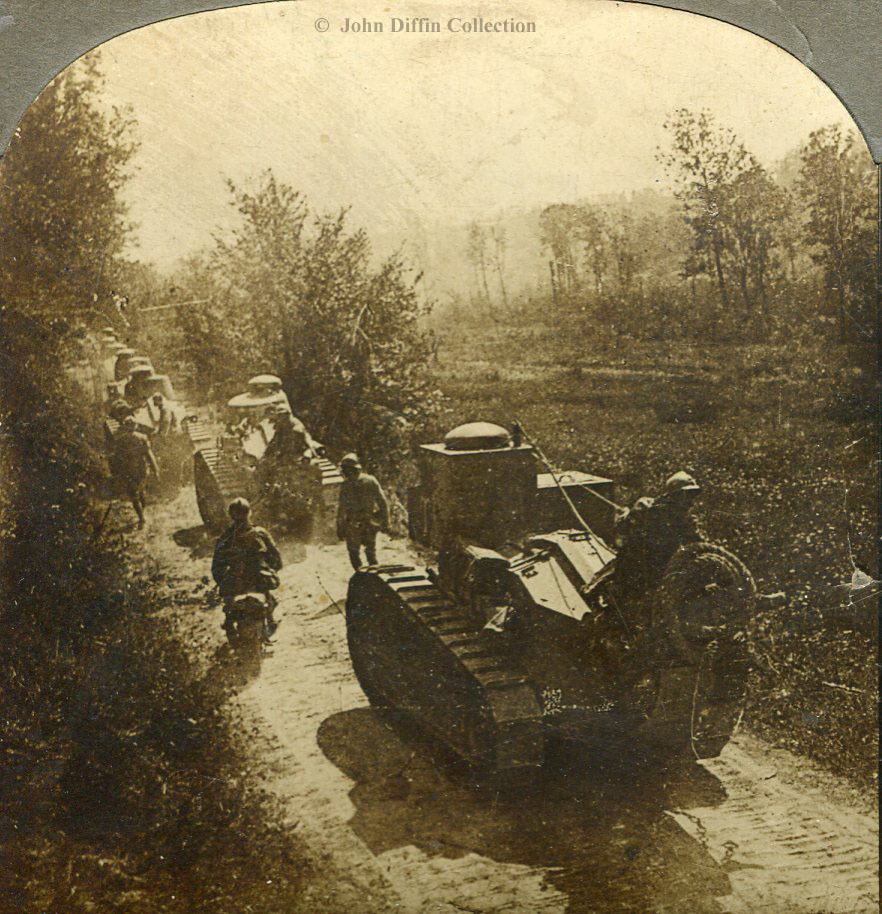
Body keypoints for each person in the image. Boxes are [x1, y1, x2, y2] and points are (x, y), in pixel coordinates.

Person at [614, 471, 706, 594]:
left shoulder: (685, 519)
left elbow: (699, 546)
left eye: (692, 495)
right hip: (635, 569)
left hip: (661, 571)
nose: (690, 501)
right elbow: (621, 529)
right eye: (686, 495)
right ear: (675, 495)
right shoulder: (646, 507)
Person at [212, 497, 283, 640]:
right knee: (270, 601)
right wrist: (271, 569)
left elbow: (217, 567)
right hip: (258, 580)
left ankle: (230, 626)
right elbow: (276, 558)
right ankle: (269, 621)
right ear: (249, 513)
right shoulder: (260, 533)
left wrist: (222, 580)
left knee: (229, 608)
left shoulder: (225, 538)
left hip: (234, 582)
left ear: (230, 515)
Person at [336, 453, 389, 570]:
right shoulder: (370, 481)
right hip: (364, 521)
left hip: (357, 523)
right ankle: (366, 576)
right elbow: (383, 502)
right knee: (366, 552)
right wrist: (385, 521)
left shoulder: (348, 485)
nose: (347, 473)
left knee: (359, 552)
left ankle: (367, 578)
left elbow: (342, 509)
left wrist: (340, 527)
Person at [110, 415, 159, 528]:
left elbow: (117, 458)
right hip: (141, 469)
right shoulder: (142, 438)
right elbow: (149, 455)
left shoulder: (120, 441)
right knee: (141, 489)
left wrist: (116, 472)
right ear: (135, 426)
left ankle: (141, 518)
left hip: (128, 470)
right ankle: (143, 511)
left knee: (133, 494)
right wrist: (155, 468)